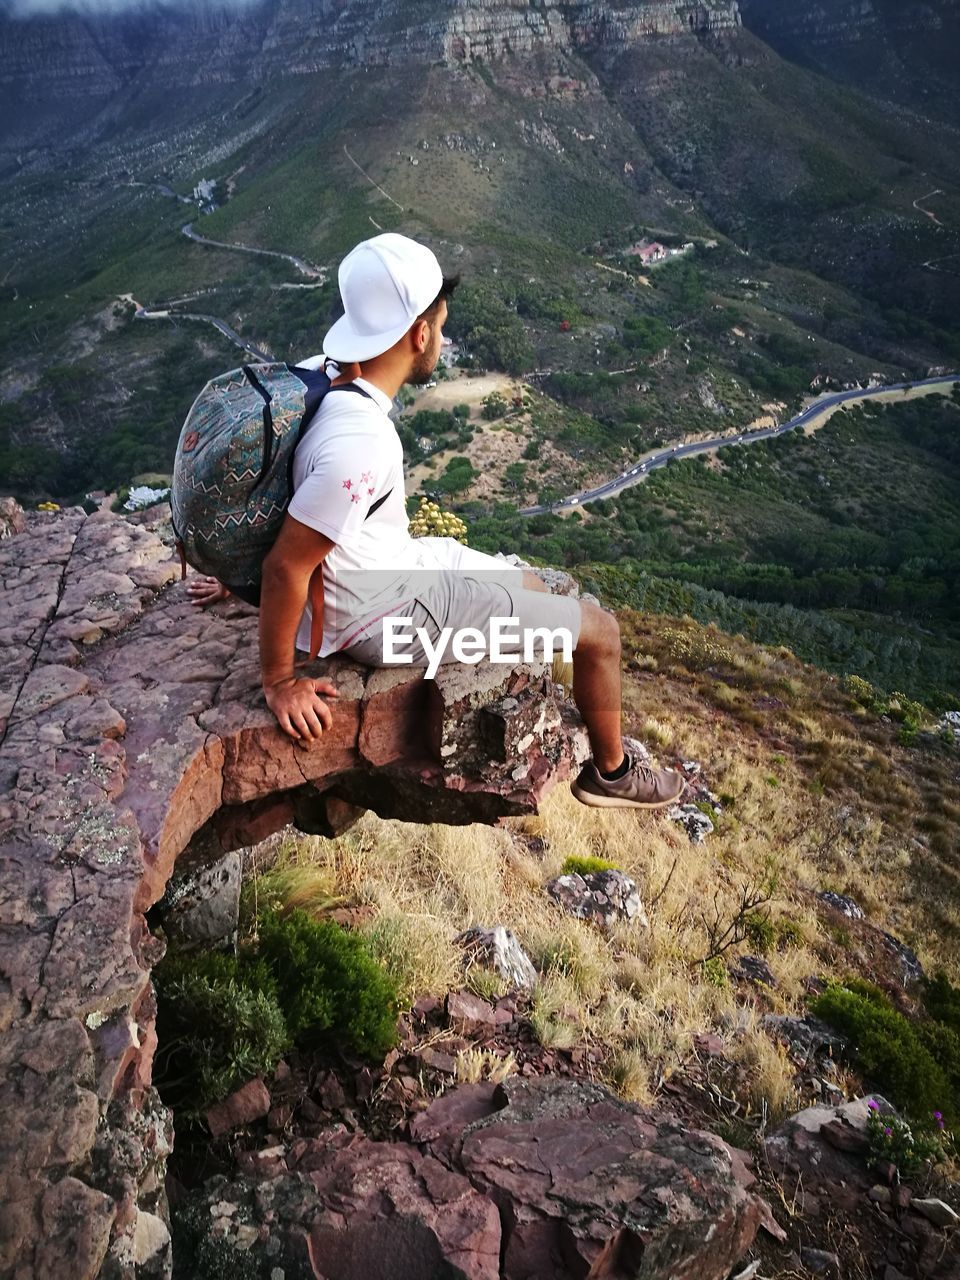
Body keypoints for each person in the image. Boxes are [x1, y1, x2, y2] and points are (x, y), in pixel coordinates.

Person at [228, 232, 684, 810]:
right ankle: (612, 776)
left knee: (537, 585)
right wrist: (279, 680)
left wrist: (229, 571)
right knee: (600, 633)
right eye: (440, 326)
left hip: (390, 570)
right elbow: (287, 564)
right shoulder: (359, 441)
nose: (441, 338)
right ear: (419, 334)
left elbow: (278, 491)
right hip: (384, 621)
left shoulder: (318, 374)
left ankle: (578, 702)